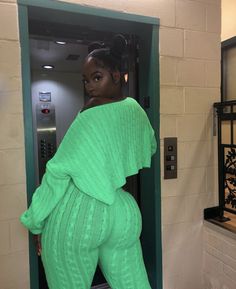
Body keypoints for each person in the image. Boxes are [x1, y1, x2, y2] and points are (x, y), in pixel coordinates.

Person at [20, 34, 157, 289]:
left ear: (117, 75)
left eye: (97, 77)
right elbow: (149, 147)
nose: (90, 87)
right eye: (86, 81)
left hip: (78, 217)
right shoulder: (135, 110)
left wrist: (35, 222)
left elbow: (57, 172)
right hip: (123, 210)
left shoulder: (88, 116)